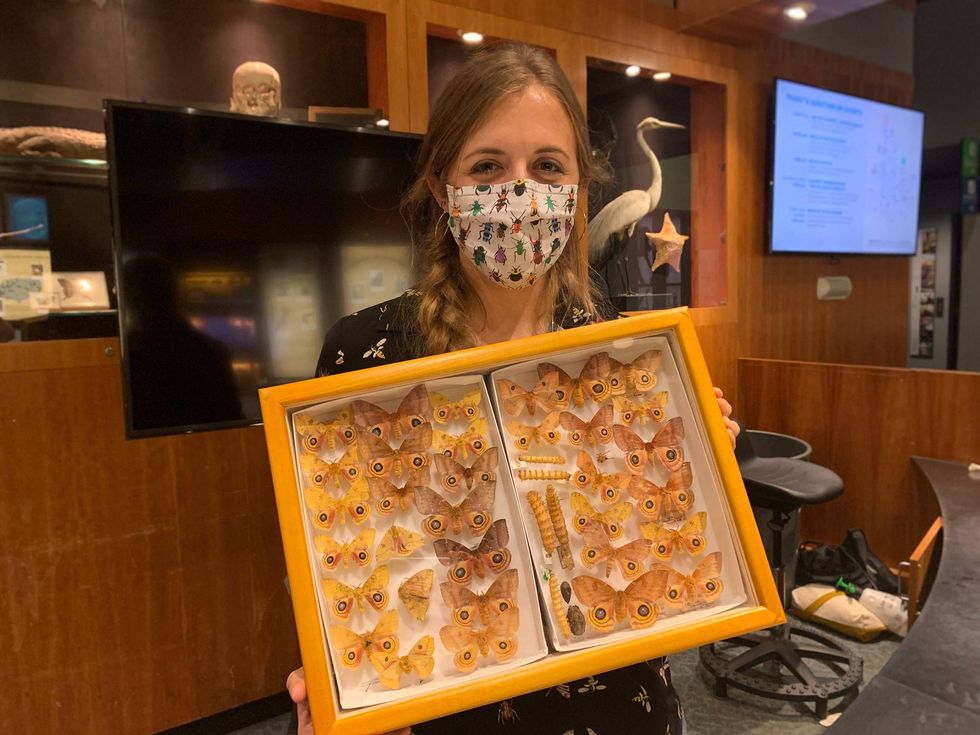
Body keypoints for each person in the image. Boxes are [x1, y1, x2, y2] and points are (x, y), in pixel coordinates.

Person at [288, 42, 739, 735]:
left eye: (547, 167)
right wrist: (333, 675)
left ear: (575, 189)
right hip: (446, 698)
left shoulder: (618, 356)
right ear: (442, 187)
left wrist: (703, 465)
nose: (520, 192)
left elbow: (652, 538)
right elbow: (335, 547)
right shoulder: (363, 355)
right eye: (489, 167)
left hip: (619, 704)